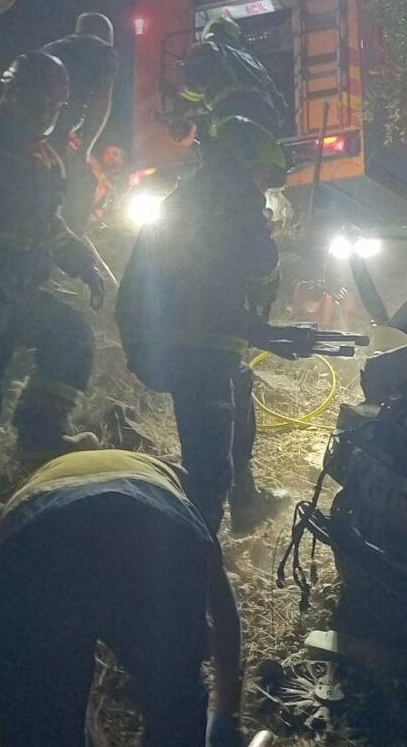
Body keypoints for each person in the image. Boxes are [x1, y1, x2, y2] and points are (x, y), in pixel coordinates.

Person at [0, 449, 245, 747]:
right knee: (174, 704)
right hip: (148, 525)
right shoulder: (173, 492)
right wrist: (226, 711)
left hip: (32, 535)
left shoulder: (37, 484)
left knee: (38, 717)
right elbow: (224, 613)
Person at [116, 116, 289, 532]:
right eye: (264, 176)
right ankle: (198, 559)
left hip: (164, 337)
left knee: (240, 378)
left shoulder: (196, 194)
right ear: (245, 162)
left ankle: (244, 500)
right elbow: (258, 271)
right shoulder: (236, 202)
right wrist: (262, 319)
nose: (264, 187)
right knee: (208, 471)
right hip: (191, 347)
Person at [0, 53, 103, 458]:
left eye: (55, 106)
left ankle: (39, 438)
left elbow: (49, 224)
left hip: (19, 289)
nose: (47, 113)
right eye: (41, 102)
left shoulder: (46, 160)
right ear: (13, 92)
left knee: (71, 336)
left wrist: (80, 262)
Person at [42, 12, 119, 236]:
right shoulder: (102, 50)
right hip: (55, 131)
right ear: (106, 34)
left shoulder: (51, 48)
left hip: (27, 128)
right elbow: (100, 100)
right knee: (81, 181)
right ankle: (68, 243)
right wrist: (84, 149)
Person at [178, 15, 288, 138]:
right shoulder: (254, 62)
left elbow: (194, 87)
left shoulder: (205, 48)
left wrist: (181, 103)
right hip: (266, 121)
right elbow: (280, 105)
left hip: (230, 116)